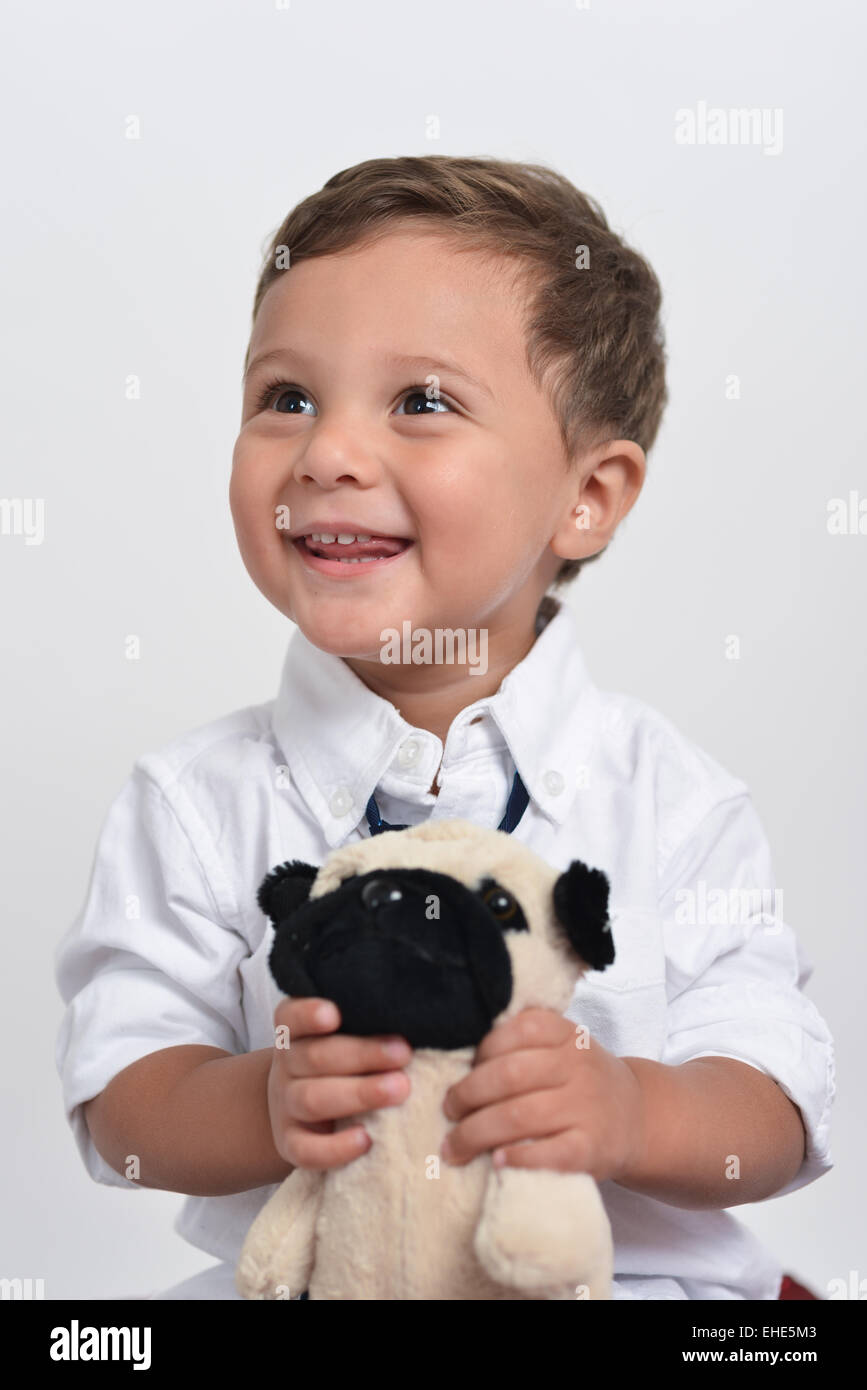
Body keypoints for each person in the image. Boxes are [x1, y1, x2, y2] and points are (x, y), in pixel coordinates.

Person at [54, 155, 834, 1301]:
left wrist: (634, 1111)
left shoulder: (671, 798)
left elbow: (773, 1101)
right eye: (286, 397)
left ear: (589, 496)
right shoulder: (194, 799)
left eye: (421, 401)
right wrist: (260, 1101)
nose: (327, 453)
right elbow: (121, 1098)